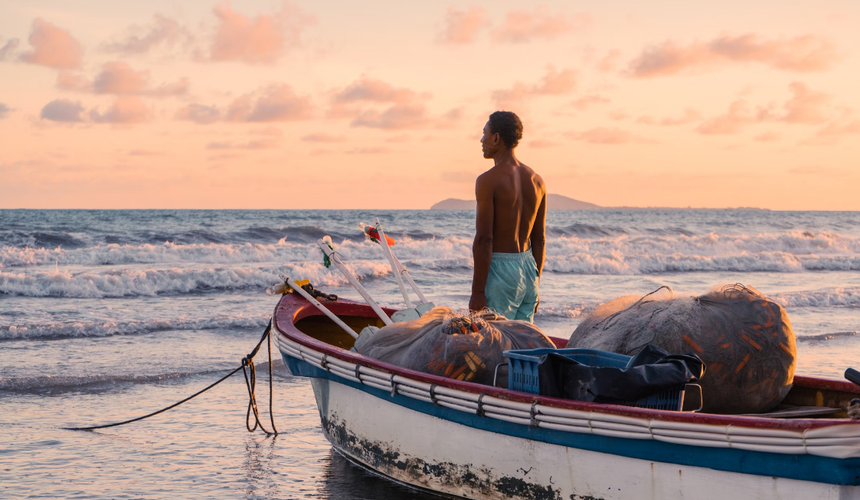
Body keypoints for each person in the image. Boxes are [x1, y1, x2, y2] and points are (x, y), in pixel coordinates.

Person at [468, 111, 546, 322]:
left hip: (501, 273)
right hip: (529, 270)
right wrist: (535, 283)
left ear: (496, 138)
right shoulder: (537, 181)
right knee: (521, 345)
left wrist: (477, 292)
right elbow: (539, 240)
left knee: (491, 345)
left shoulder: (488, 181)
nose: (481, 140)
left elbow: (485, 239)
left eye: (485, 133)